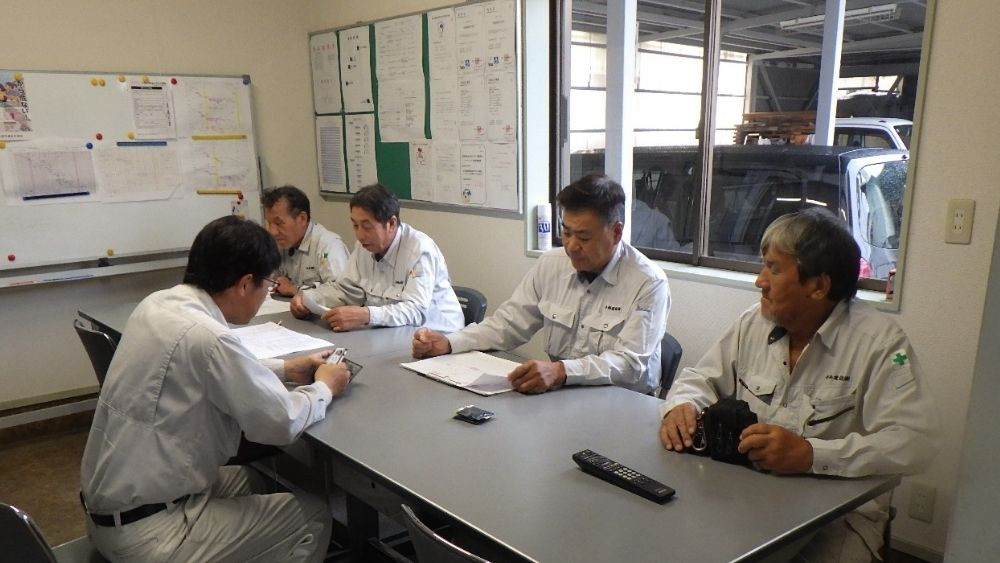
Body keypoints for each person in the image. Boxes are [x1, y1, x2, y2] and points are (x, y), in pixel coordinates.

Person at [658, 208, 939, 561]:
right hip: (747, 494)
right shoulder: (753, 322)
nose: (759, 281)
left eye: (773, 269)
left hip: (838, 512)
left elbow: (917, 442)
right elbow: (700, 378)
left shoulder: (881, 344)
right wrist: (682, 406)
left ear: (818, 286)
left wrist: (811, 455)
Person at [80, 216, 351, 563]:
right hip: (150, 534)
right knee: (314, 516)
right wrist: (325, 386)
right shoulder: (210, 338)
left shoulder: (157, 305)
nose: (267, 293)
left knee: (251, 482)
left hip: (112, 508)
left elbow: (207, 371)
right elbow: (281, 422)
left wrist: (288, 369)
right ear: (244, 284)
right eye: (267, 284)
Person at [412, 173, 670, 395]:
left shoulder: (648, 282)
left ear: (616, 232)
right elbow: (508, 324)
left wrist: (561, 371)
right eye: (566, 232)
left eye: (583, 237)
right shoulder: (551, 265)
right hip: (561, 394)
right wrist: (450, 343)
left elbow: (629, 364)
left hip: (622, 401)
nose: (572, 246)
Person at [291, 184, 464, 333]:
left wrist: (367, 315)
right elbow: (346, 291)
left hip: (439, 337)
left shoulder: (419, 250)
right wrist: (309, 298)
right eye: (355, 225)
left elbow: (416, 311)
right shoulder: (364, 247)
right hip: (392, 333)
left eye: (367, 227)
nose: (359, 235)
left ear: (391, 224)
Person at [262, 185, 350, 297]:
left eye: (279, 223)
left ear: (302, 218)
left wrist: (295, 290)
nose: (273, 231)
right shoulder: (280, 244)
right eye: (269, 223)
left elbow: (340, 293)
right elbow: (267, 277)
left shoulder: (328, 246)